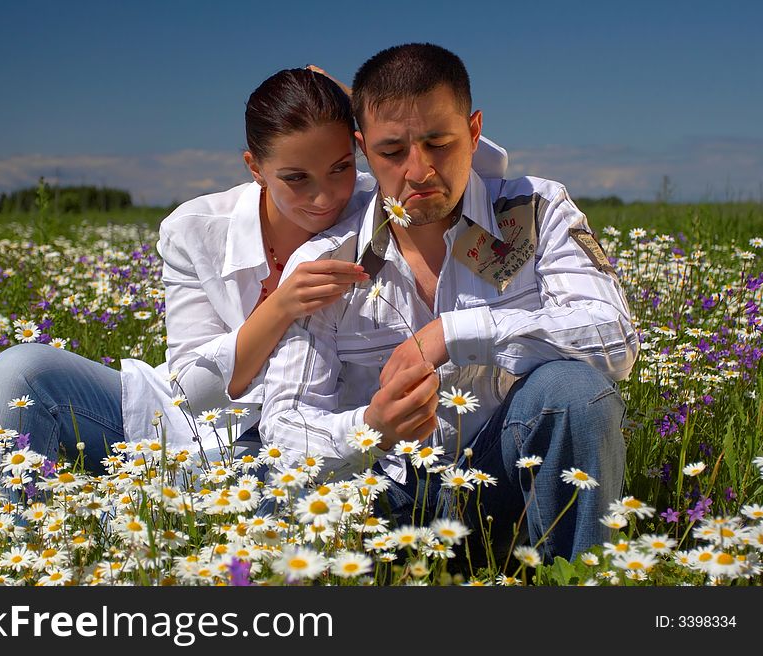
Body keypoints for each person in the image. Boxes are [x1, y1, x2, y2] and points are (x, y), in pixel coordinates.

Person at [0, 67, 509, 481]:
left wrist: (380, 109)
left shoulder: (378, 206)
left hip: (305, 449)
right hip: (172, 427)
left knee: (268, 495)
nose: (324, 197)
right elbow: (190, 392)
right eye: (295, 178)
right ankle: (13, 545)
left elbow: (474, 173)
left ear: (359, 151)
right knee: (17, 372)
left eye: (341, 168)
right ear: (254, 167)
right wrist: (278, 309)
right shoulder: (196, 230)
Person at [259, 44, 639, 563]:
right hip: (384, 491)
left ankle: (577, 583)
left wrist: (456, 335)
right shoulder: (328, 257)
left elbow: (615, 337)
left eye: (439, 143)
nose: (419, 172)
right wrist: (372, 425)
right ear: (363, 148)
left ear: (475, 130)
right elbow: (283, 422)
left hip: (503, 476)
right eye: (392, 152)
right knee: (288, 495)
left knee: (573, 389)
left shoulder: (533, 209)